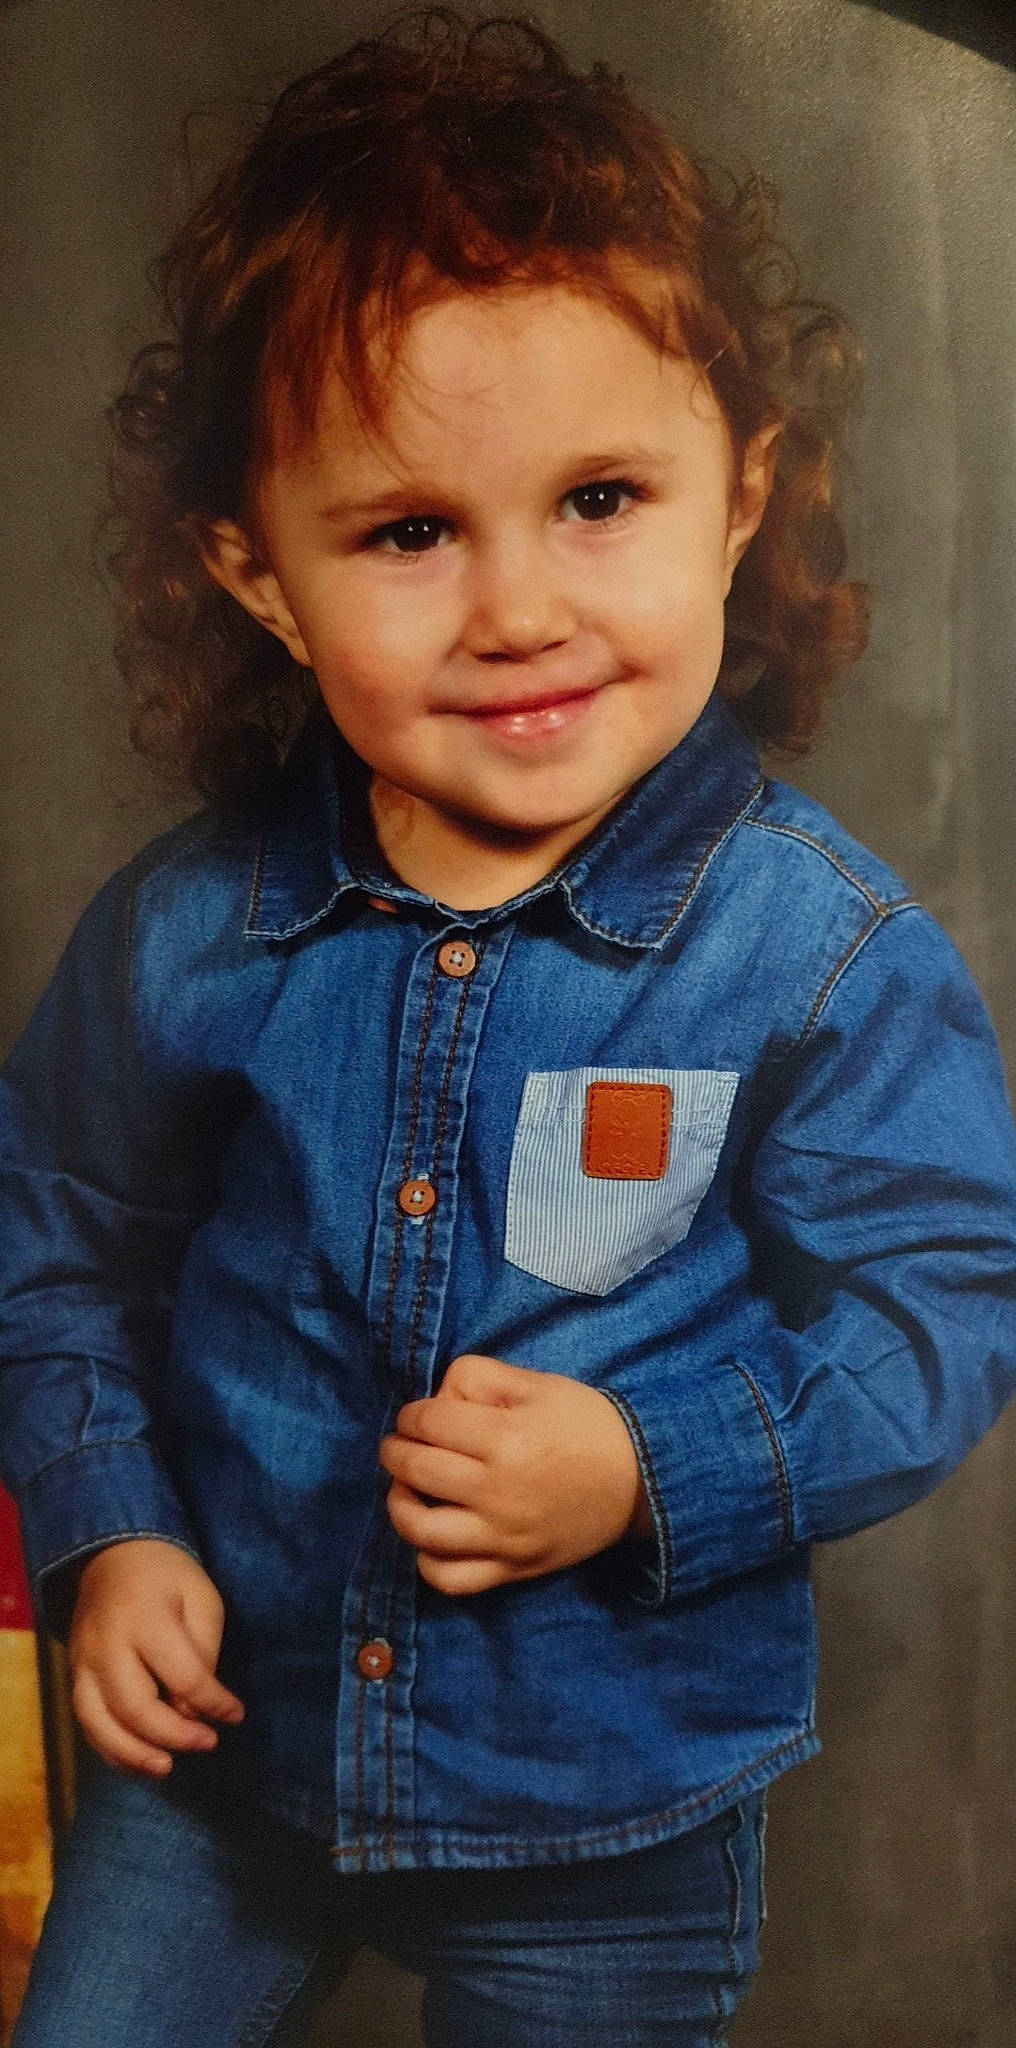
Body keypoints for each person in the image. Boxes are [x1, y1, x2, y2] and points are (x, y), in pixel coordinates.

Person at [3, 10, 1016, 2045]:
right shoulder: (188, 932)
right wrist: (108, 1529)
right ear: (263, 577)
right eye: (403, 531)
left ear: (737, 499)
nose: (517, 606)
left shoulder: (812, 951)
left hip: (609, 1817)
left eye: (599, 499)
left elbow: (949, 1303)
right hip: (212, 1764)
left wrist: (651, 1465)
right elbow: (55, 1244)